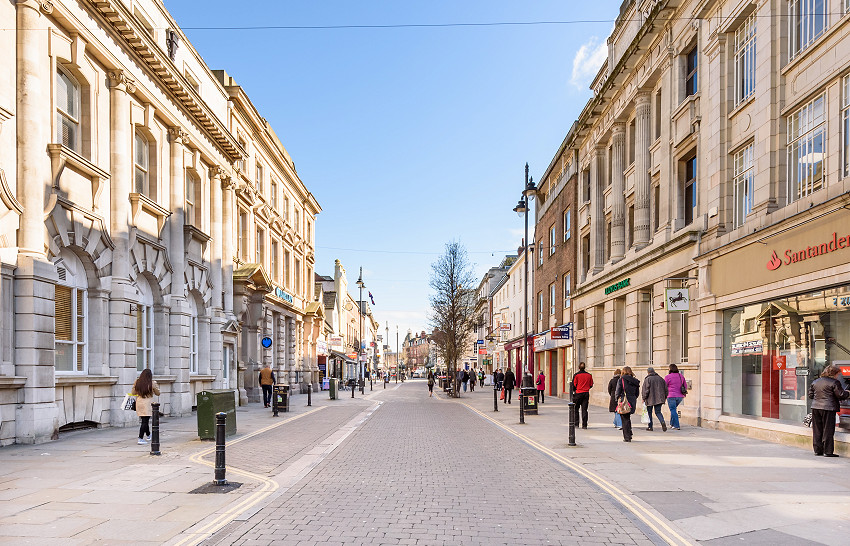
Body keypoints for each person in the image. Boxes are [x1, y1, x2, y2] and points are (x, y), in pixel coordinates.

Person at [809, 364, 849, 457]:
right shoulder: (835, 382)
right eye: (838, 374)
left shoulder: (816, 382)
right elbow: (841, 394)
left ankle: (818, 450)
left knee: (817, 429)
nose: (838, 376)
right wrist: (848, 393)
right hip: (828, 408)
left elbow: (811, 395)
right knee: (828, 430)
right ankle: (828, 451)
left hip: (816, 407)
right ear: (834, 373)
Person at [132, 369, 160, 445]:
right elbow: (158, 393)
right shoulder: (152, 383)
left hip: (139, 402)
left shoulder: (137, 382)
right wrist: (155, 387)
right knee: (145, 421)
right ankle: (140, 438)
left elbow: (133, 393)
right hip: (147, 403)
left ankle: (148, 435)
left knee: (144, 420)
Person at [614, 366, 640, 442]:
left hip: (624, 400)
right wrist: (633, 398)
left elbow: (618, 391)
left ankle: (627, 436)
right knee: (627, 418)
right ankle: (630, 433)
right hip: (632, 400)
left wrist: (617, 400)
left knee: (624, 419)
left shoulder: (621, 380)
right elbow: (637, 393)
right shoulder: (635, 381)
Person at [642, 367, 668, 431]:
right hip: (659, 399)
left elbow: (646, 390)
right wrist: (665, 397)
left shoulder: (647, 379)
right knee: (658, 412)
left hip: (650, 399)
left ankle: (650, 427)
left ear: (648, 372)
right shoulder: (661, 379)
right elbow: (666, 389)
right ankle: (662, 421)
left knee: (649, 412)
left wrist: (644, 398)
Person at [571, 362, 594, 429]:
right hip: (586, 393)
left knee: (576, 409)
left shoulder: (576, 375)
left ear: (578, 367)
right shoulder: (589, 375)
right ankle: (584, 425)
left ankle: (576, 423)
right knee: (584, 409)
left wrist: (575, 391)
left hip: (578, 393)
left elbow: (574, 385)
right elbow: (591, 384)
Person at [665, 364, 687, 430]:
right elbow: (685, 386)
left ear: (670, 369)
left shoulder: (668, 377)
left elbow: (664, 386)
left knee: (673, 410)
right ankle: (672, 424)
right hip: (680, 396)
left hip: (671, 396)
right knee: (673, 409)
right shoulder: (681, 376)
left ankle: (677, 425)